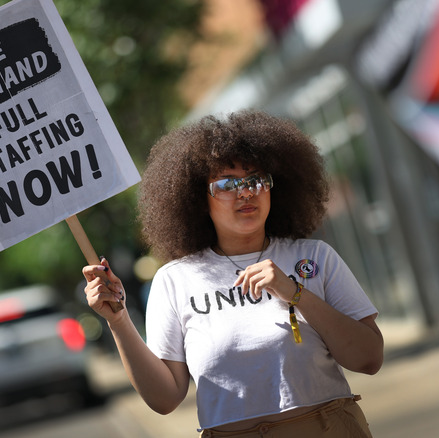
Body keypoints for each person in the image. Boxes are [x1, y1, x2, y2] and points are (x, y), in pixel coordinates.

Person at [82, 110, 383, 437]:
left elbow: (369, 359)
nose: (246, 192)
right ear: (199, 199)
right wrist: (118, 321)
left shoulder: (314, 257)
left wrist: (295, 292)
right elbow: (165, 398)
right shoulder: (174, 280)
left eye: (256, 180)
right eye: (227, 184)